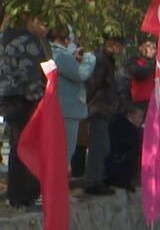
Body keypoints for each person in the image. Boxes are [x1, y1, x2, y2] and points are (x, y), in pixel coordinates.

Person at [0, 14, 48, 209]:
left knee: (17, 147)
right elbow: (34, 74)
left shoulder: (6, 38)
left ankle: (17, 194)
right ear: (31, 20)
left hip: (10, 98)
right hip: (24, 99)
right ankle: (23, 195)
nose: (46, 28)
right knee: (26, 147)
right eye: (44, 23)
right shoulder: (27, 41)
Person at [48, 27, 96, 168]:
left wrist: (73, 59)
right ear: (66, 38)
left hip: (60, 108)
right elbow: (80, 74)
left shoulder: (50, 51)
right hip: (66, 110)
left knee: (58, 152)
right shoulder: (59, 53)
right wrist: (90, 57)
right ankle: (57, 186)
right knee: (65, 153)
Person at [83, 33, 124, 195]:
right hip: (98, 108)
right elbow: (93, 85)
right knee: (99, 146)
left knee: (103, 146)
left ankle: (97, 179)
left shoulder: (107, 61)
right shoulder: (100, 60)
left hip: (104, 108)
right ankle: (92, 182)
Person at [103, 104, 145, 192]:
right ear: (130, 115)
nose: (141, 120)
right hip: (118, 161)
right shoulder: (125, 127)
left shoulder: (130, 128)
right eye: (139, 117)